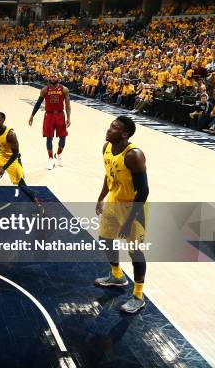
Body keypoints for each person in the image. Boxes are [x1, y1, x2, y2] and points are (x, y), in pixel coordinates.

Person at [95, 116, 149, 314]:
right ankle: (117, 275)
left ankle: (138, 296)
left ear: (125, 134)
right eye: (110, 126)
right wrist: (101, 197)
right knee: (105, 239)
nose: (109, 130)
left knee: (135, 252)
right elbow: (109, 174)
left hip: (134, 207)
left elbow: (143, 191)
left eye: (114, 128)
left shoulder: (134, 155)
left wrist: (129, 222)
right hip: (113, 202)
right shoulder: (106, 147)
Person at [0, 112, 44, 214]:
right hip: (1, 156)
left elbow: (16, 153)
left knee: (22, 185)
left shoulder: (10, 134)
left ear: (3, 120)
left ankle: (39, 206)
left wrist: (4, 168)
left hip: (13, 159)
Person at [28, 72, 71, 170]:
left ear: (58, 78)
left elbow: (68, 105)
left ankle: (59, 155)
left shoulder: (64, 89)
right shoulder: (45, 90)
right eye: (51, 76)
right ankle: (51, 159)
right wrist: (32, 115)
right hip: (49, 115)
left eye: (55, 76)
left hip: (60, 115)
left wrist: (68, 117)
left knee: (63, 137)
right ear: (49, 78)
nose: (53, 77)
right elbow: (38, 103)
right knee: (49, 137)